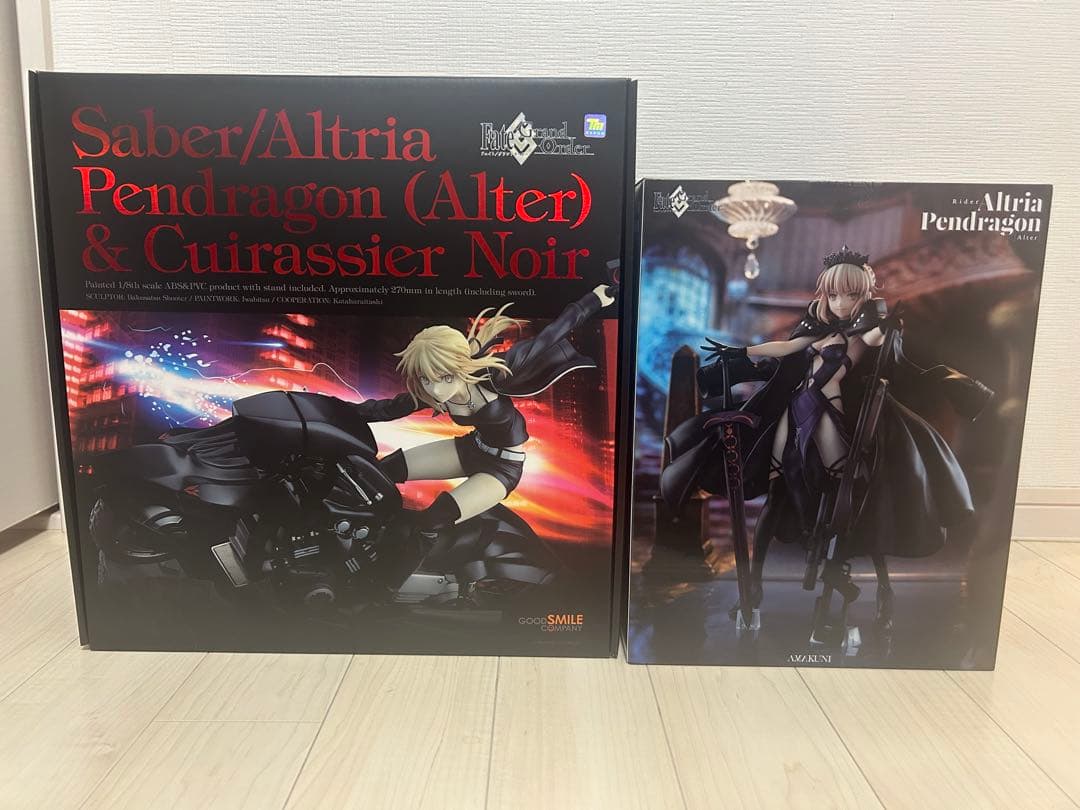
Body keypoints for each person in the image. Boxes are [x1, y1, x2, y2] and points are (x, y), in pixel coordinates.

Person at [661, 246, 992, 636]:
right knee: (777, 479)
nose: (840, 302)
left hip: (832, 408)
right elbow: (785, 348)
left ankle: (848, 561)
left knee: (842, 482)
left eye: (850, 295)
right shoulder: (816, 328)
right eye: (834, 294)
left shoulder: (865, 332)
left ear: (863, 294)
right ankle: (754, 588)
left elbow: (876, 341)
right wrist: (742, 351)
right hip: (797, 406)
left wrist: (884, 328)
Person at [355, 283, 615, 534]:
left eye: (445, 377)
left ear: (459, 366)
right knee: (379, 472)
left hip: (503, 467)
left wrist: (593, 300)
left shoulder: (495, 374)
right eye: (426, 379)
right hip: (471, 448)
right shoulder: (434, 394)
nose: (435, 389)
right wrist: (333, 408)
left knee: (433, 521)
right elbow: (385, 409)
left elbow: (551, 335)